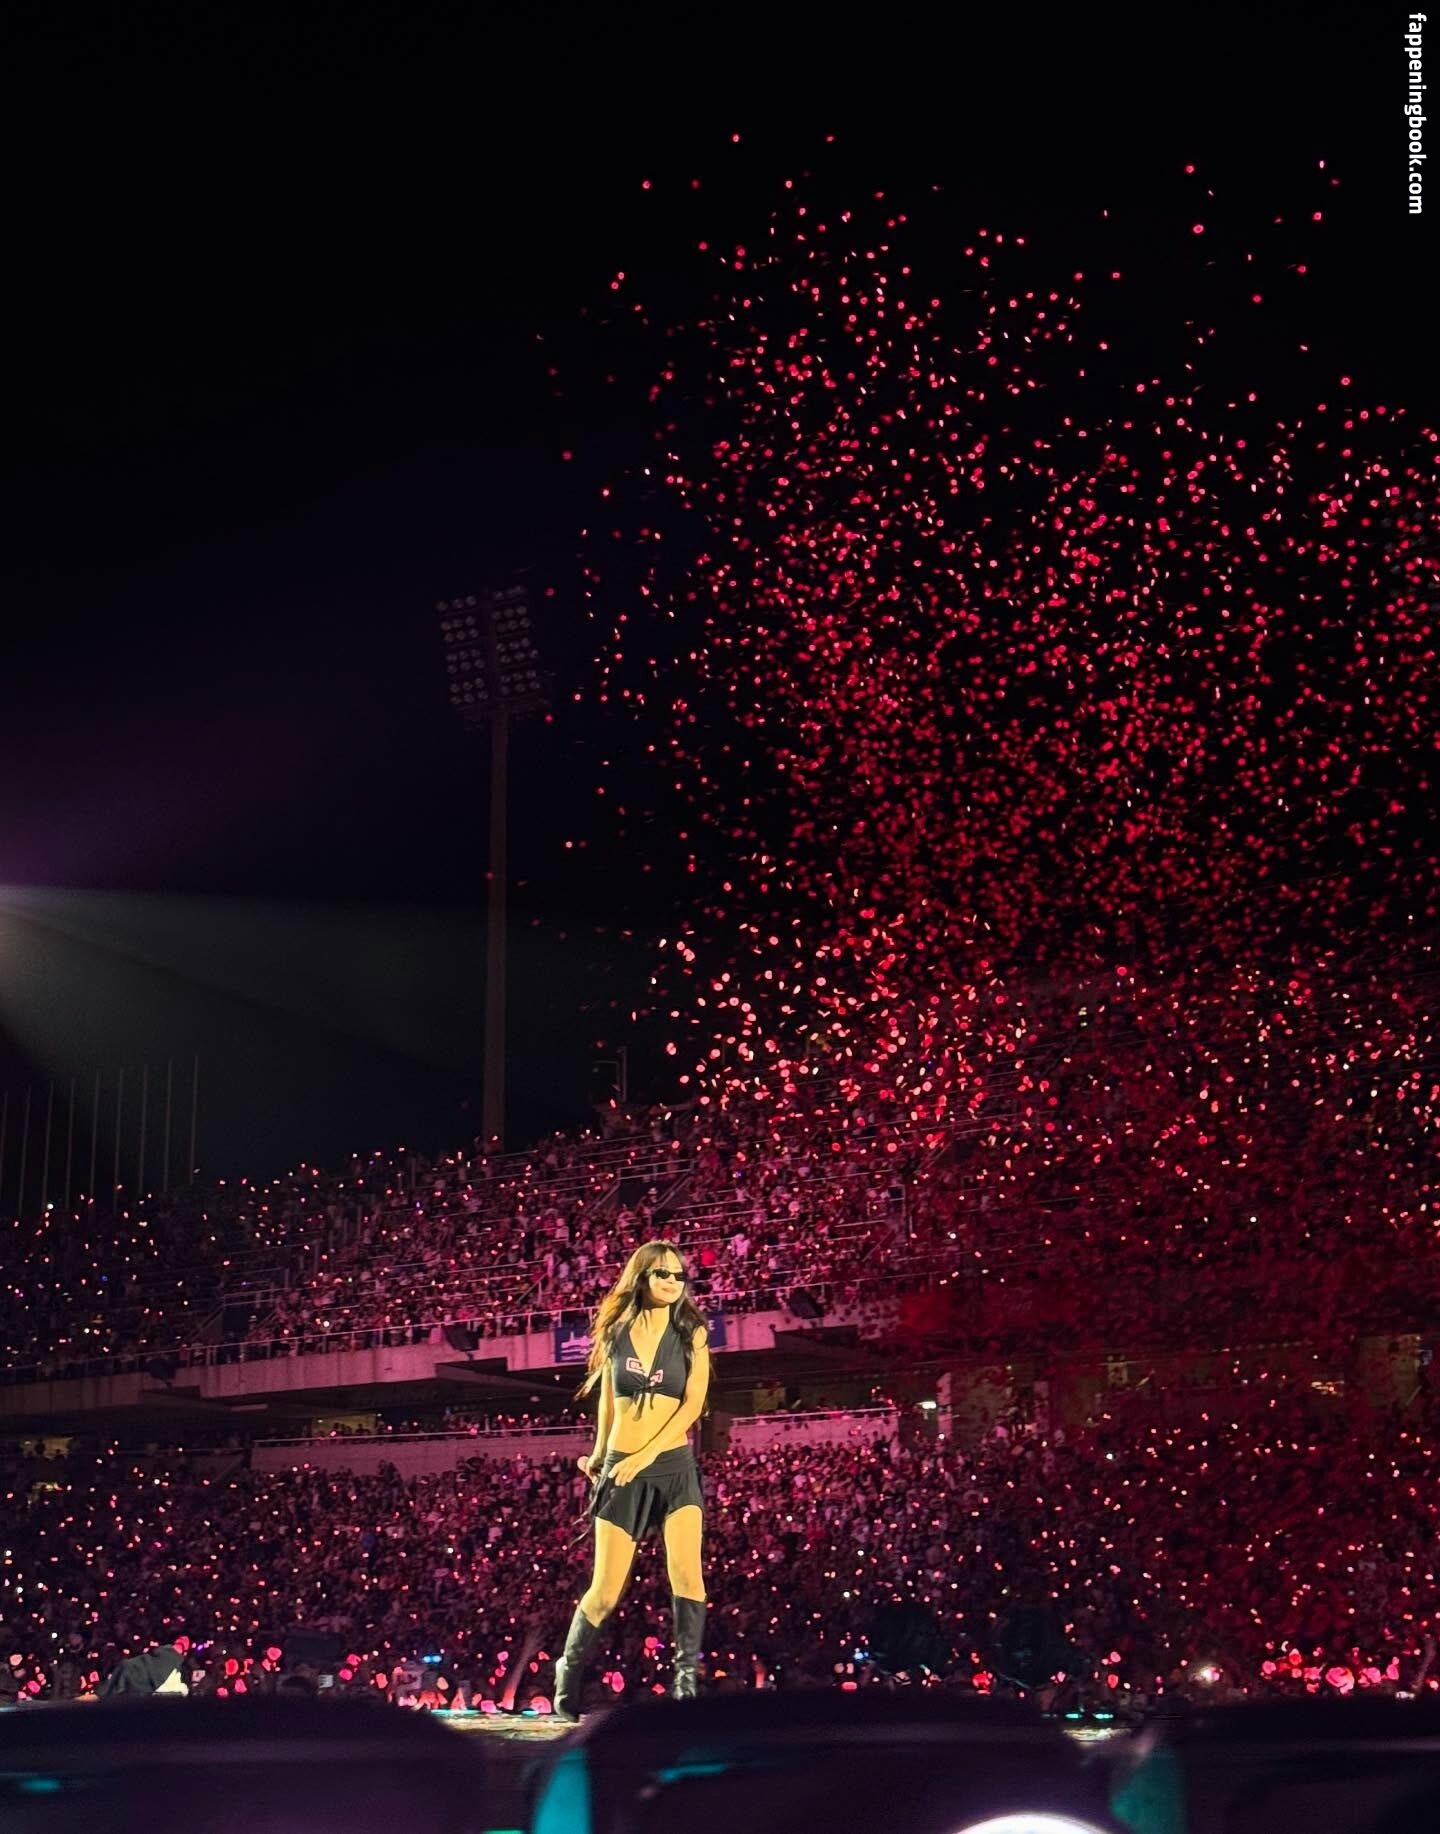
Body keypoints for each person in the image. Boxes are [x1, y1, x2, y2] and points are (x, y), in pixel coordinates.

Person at [550, 1240, 711, 1719]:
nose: (673, 1282)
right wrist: (599, 1454)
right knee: (604, 1590)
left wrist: (644, 1456)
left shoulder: (692, 1332)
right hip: (621, 1467)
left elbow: (693, 1405)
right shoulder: (616, 1329)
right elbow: (608, 1400)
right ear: (641, 1277)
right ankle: (568, 1668)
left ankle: (685, 1685)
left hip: (672, 1466)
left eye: (679, 1276)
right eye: (663, 1274)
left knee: (688, 1575)